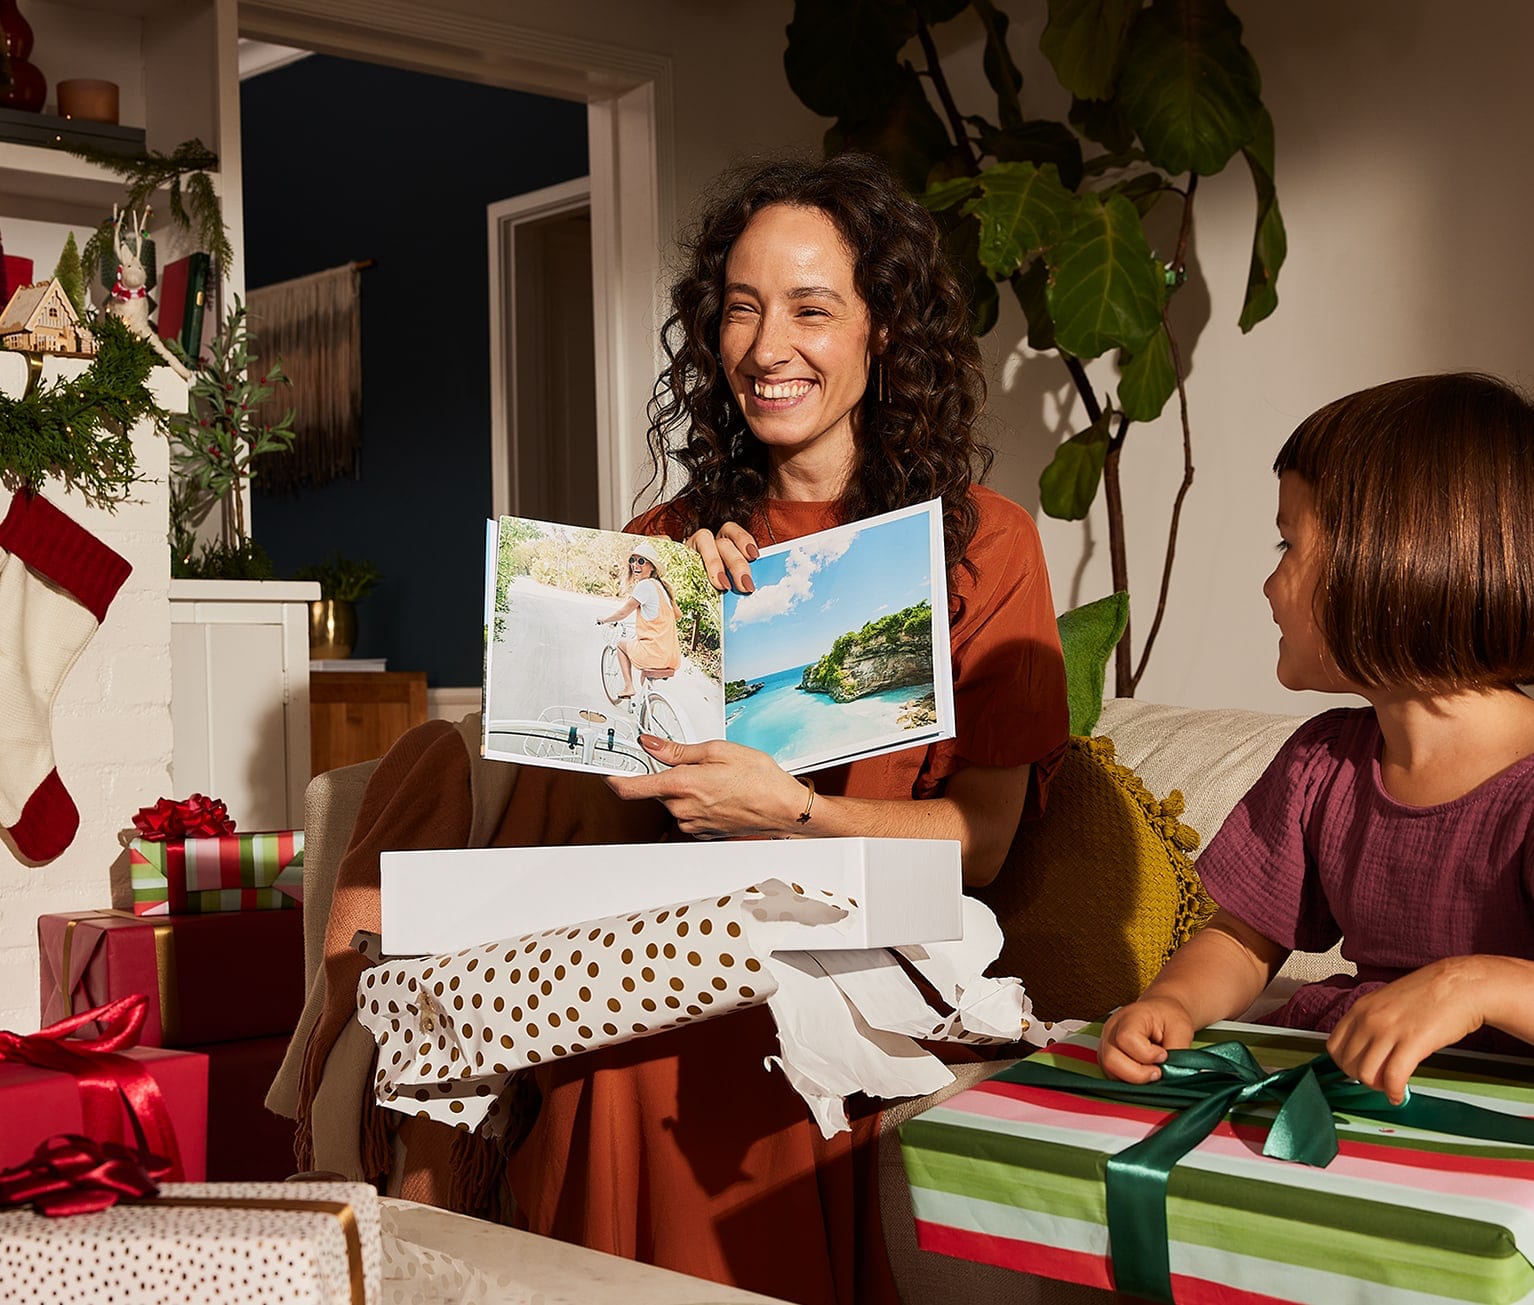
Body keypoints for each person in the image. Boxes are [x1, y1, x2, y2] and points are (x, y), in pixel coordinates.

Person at [284, 152, 1067, 1305]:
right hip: (659, 913)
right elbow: (577, 807)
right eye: (740, 310)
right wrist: (671, 653)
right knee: (623, 1008)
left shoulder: (982, 542)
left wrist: (791, 810)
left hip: (870, 922)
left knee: (659, 1040)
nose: (766, 347)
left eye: (811, 308)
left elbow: (985, 841)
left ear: (884, 331)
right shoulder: (667, 537)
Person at [1099, 373, 1534, 1106]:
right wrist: (1172, 1001)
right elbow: (1244, 937)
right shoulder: (1321, 762)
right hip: (1352, 1105)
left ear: (1392, 559)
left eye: (1288, 542)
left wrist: (1473, 982)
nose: (1270, 584)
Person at [596, 538, 682, 698]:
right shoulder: (662, 587)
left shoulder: (645, 585)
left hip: (655, 654)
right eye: (632, 560)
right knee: (642, 658)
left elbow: (623, 613)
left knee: (621, 645)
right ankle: (648, 705)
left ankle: (629, 687)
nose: (635, 565)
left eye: (641, 561)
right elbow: (677, 615)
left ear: (651, 567)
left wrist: (604, 619)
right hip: (671, 656)